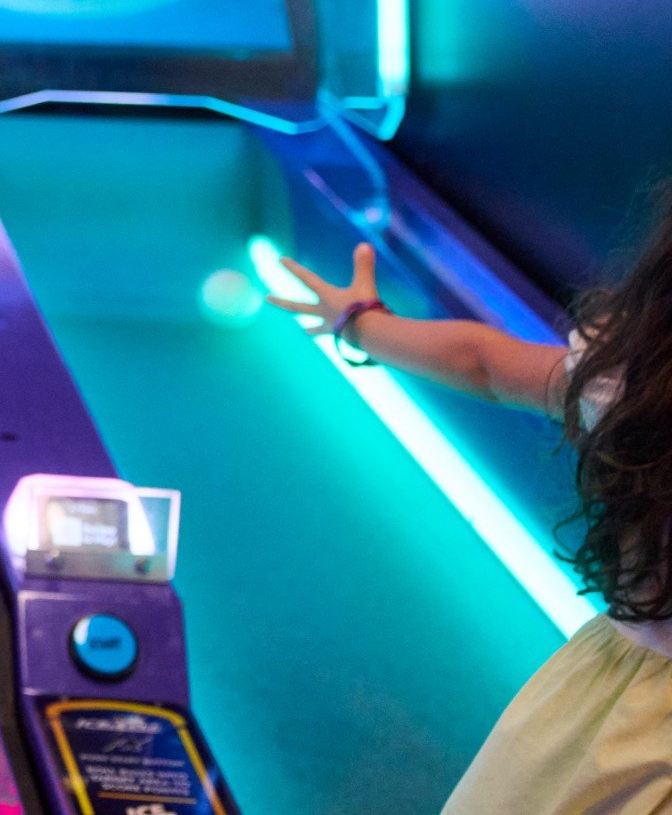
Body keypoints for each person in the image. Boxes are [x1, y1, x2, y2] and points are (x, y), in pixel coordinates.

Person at [270, 226, 672, 813]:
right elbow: (484, 362)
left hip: (623, 719)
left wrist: (361, 321)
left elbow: (486, 364)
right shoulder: (640, 389)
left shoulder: (642, 390)